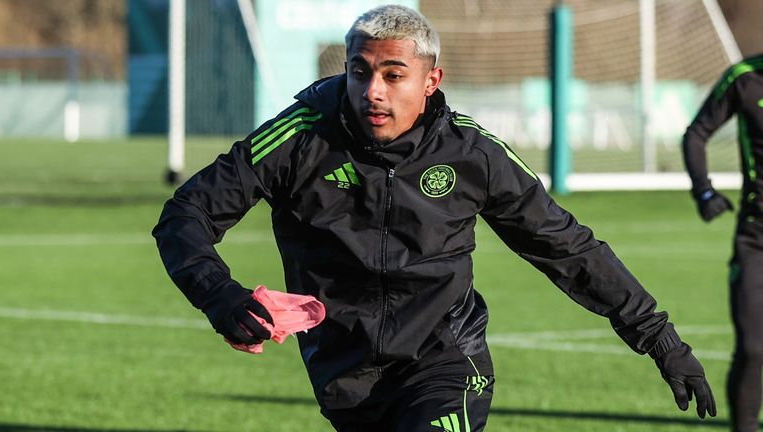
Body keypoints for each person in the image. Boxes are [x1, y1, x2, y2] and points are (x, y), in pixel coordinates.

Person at [154, 5, 716, 431]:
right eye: (359, 71)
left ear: (431, 80)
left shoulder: (473, 154)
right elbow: (186, 214)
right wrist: (220, 297)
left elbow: (566, 247)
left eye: (393, 75)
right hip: (342, 372)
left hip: (448, 359)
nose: (372, 91)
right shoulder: (299, 137)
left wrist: (661, 340)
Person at [682, 52, 763, 432]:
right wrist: (704, 191)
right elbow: (697, 133)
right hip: (755, 241)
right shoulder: (745, 79)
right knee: (752, 347)